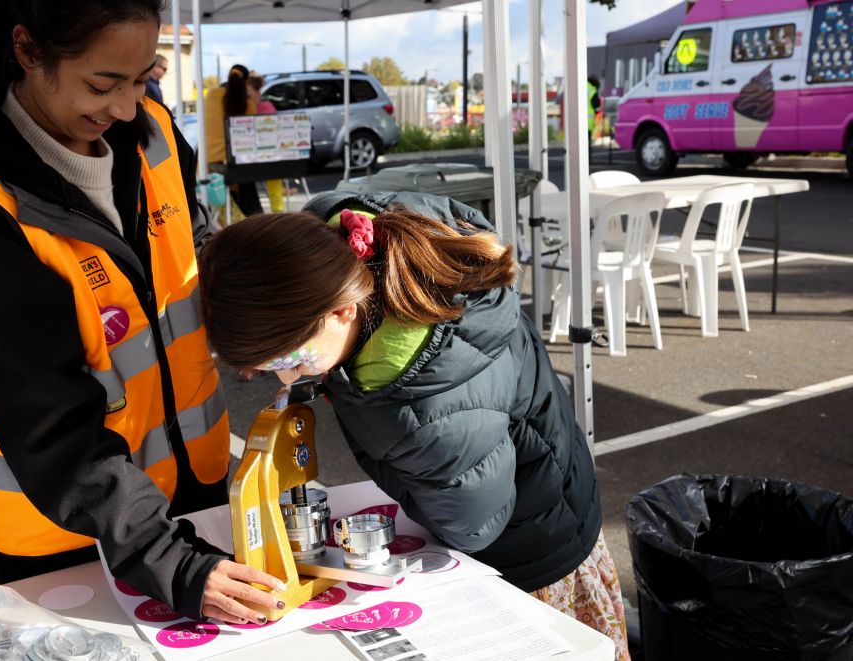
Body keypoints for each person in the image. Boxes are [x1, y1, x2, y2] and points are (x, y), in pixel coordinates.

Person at [0, 0, 285, 626]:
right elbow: (52, 430)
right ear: (27, 51)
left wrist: (259, 317)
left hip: (191, 496)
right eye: (102, 84)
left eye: (142, 78)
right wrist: (173, 561)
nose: (127, 108)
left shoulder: (154, 134)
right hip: (60, 543)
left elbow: (186, 257)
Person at [198, 191, 632, 661]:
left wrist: (367, 419)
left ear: (342, 310)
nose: (285, 377)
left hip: (532, 561)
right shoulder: (354, 239)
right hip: (559, 485)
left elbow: (471, 525)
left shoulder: (420, 412)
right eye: (265, 369)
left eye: (289, 358)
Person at [203, 64, 262, 217]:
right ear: (246, 82)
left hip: (211, 164)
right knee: (248, 191)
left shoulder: (211, 95)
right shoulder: (248, 104)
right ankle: (255, 222)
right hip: (237, 165)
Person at [247, 73, 285, 213]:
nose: (246, 96)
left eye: (248, 92)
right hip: (249, 157)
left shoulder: (267, 108)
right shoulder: (245, 108)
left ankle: (278, 212)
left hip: (269, 155)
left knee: (274, 179)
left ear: (257, 92)